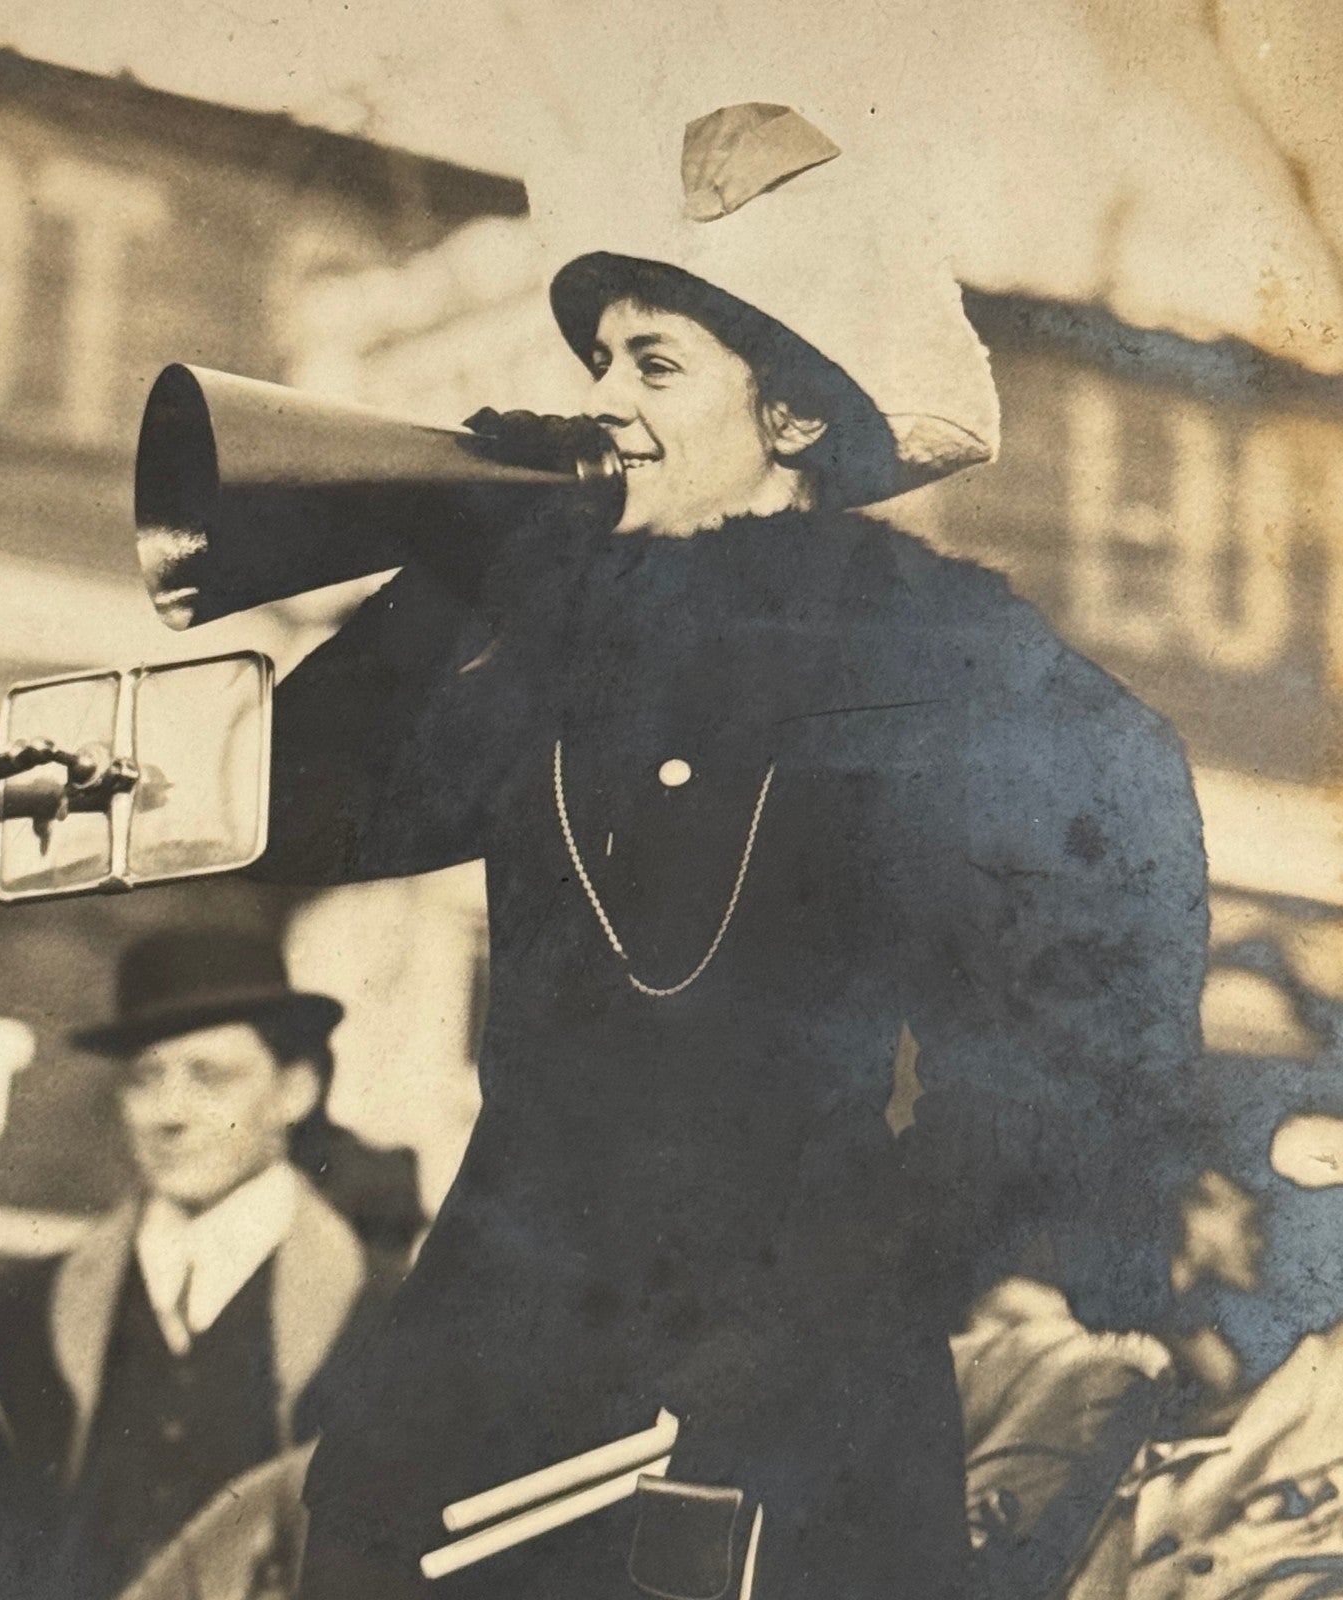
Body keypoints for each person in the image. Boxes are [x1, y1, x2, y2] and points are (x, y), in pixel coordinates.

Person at [253, 102, 1209, 1600]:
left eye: (655, 364)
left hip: (790, 1393)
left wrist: (868, 1266)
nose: (603, 402)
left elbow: (1093, 993)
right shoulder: (554, 636)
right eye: (598, 362)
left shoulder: (945, 665)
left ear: (794, 418)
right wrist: (449, 565)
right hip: (489, 1359)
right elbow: (291, 811)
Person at [0, 928, 420, 1600]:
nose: (168, 1114)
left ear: (294, 1091)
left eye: (209, 1076)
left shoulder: (394, 1323)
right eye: (146, 1078)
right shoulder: (13, 1314)